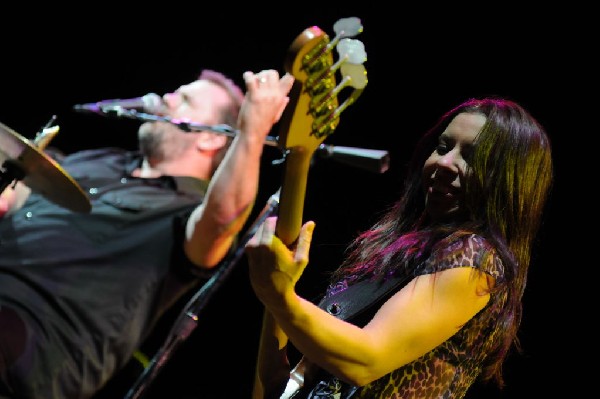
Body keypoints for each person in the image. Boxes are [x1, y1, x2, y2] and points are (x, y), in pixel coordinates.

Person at [0, 68, 295, 398]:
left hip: (31, 349)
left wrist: (251, 133)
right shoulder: (105, 160)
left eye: (184, 100)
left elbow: (223, 217)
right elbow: (15, 195)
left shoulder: (186, 211)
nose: (166, 98)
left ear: (210, 136)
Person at [245, 97, 553, 399]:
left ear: (508, 181)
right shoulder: (391, 251)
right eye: (443, 148)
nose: (444, 163)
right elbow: (294, 380)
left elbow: (367, 360)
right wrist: (274, 292)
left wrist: (279, 296)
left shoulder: (475, 257)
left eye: (471, 157)